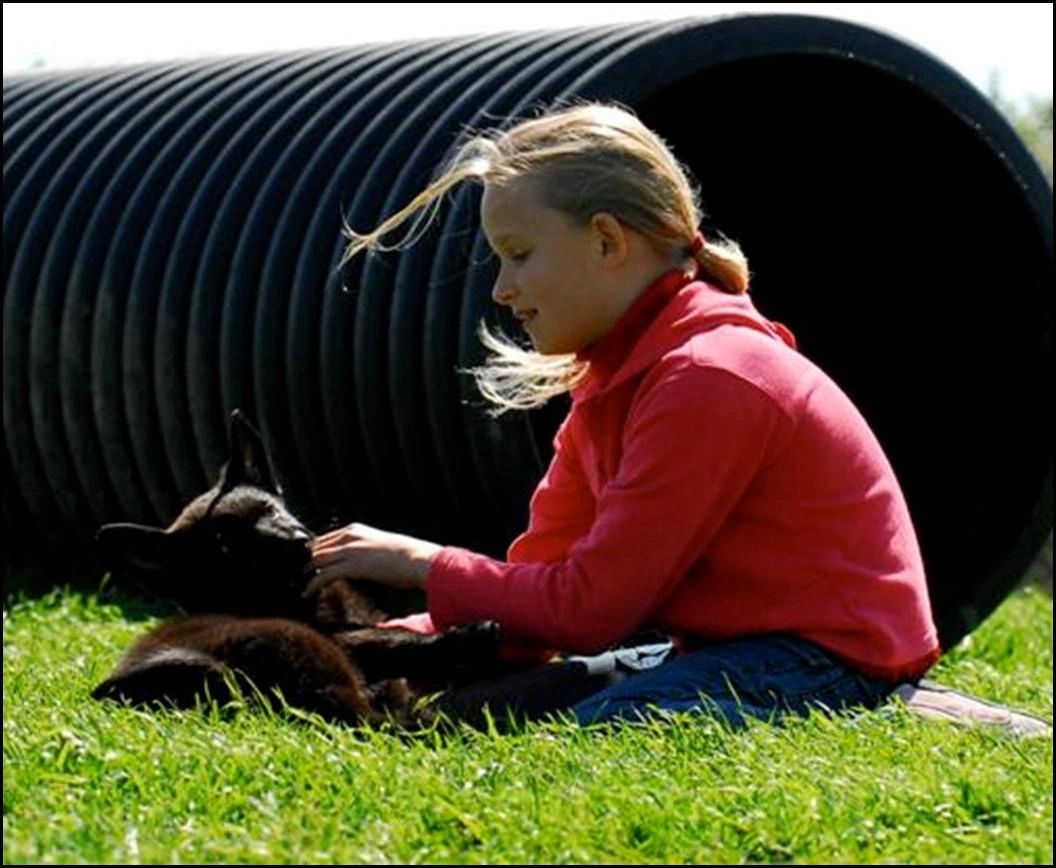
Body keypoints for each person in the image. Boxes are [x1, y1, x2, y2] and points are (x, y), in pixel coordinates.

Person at [307, 101, 940, 728]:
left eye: (519, 254)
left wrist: (422, 563)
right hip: (721, 649)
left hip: (826, 659)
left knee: (593, 737)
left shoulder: (708, 377)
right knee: (464, 719)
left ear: (608, 241)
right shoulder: (616, 383)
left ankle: (923, 715)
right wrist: (361, 649)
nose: (501, 288)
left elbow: (588, 611)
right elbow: (539, 592)